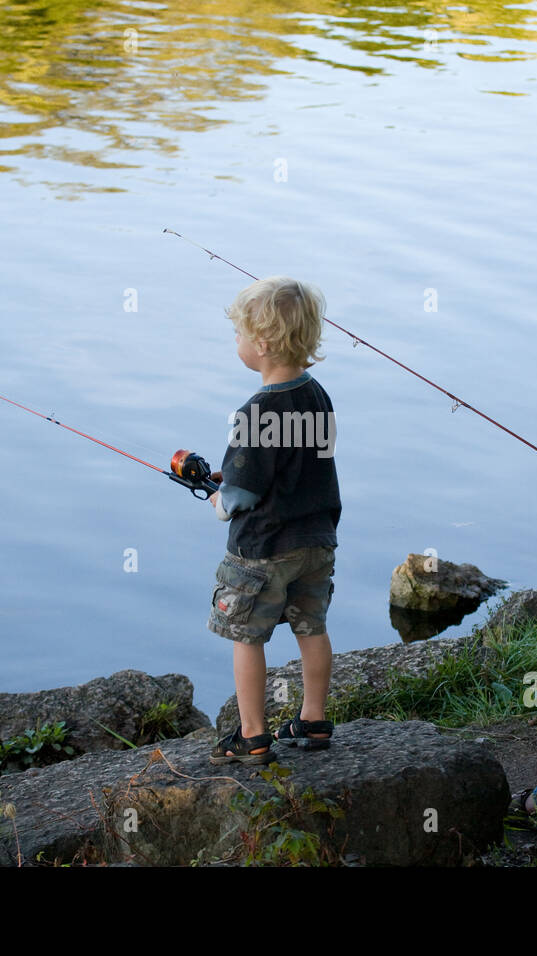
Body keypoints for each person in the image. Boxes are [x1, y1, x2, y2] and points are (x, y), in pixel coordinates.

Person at [205, 276, 342, 765]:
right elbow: (295, 462)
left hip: (263, 550)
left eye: (239, 335)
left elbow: (238, 496)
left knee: (247, 636)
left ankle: (253, 734)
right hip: (316, 540)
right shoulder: (318, 395)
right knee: (312, 627)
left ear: (261, 345)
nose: (237, 343)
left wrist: (218, 501)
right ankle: (313, 719)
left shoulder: (254, 412)